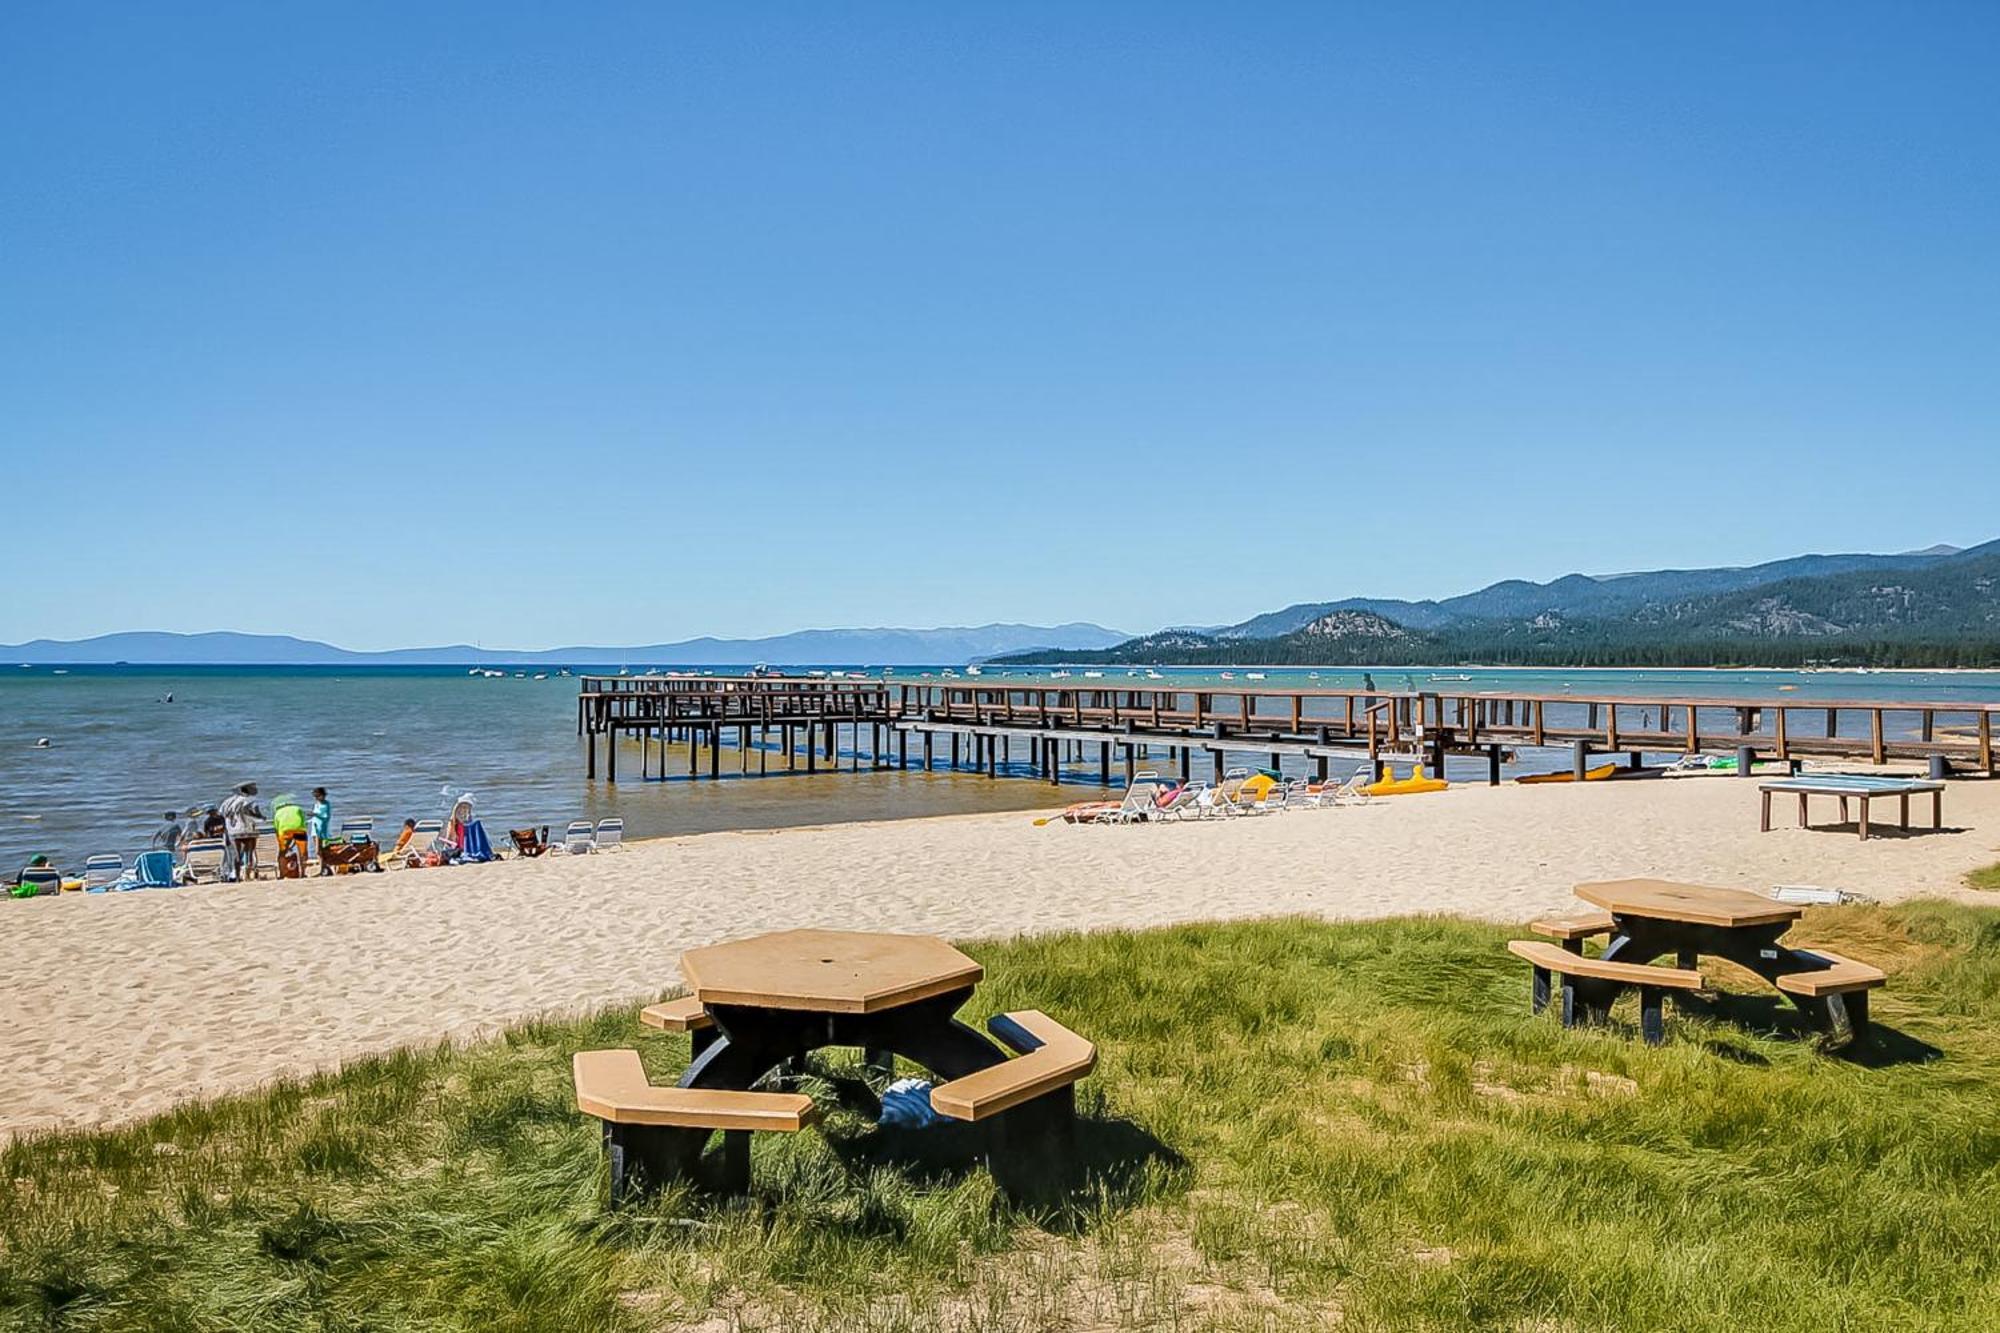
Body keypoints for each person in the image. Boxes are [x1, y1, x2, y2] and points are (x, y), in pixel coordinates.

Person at [217, 783, 264, 881]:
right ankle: (248, 875)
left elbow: (221, 814)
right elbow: (255, 814)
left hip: (233, 831)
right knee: (250, 854)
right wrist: (262, 818)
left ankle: (238, 877)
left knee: (237, 855)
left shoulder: (228, 802)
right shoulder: (250, 801)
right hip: (249, 830)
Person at [309, 788, 332, 875]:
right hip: (314, 827)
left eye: (318, 796)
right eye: (315, 796)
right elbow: (315, 815)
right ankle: (324, 868)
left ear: (323, 795)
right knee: (317, 849)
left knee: (318, 850)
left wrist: (315, 814)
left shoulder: (326, 804)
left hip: (321, 828)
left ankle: (322, 869)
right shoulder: (316, 804)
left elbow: (326, 816)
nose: (316, 798)